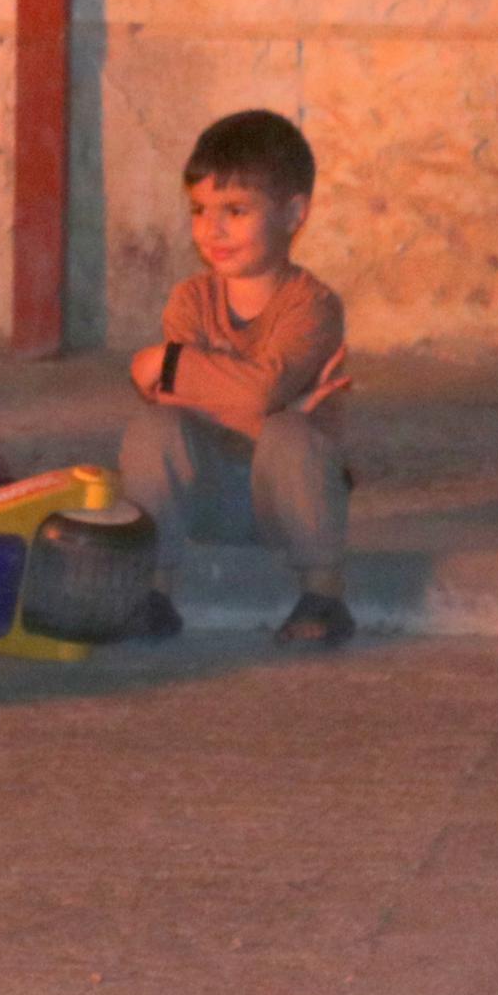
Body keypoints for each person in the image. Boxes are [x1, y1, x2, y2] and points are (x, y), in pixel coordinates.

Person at [118, 108, 354, 648]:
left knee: (293, 435)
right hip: (207, 493)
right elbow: (178, 402)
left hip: (289, 503)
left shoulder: (312, 306)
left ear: (294, 213)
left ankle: (324, 593)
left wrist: (171, 364)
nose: (212, 229)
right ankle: (152, 592)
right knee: (155, 429)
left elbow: (257, 391)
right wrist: (259, 398)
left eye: (236, 210)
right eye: (200, 210)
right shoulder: (191, 299)